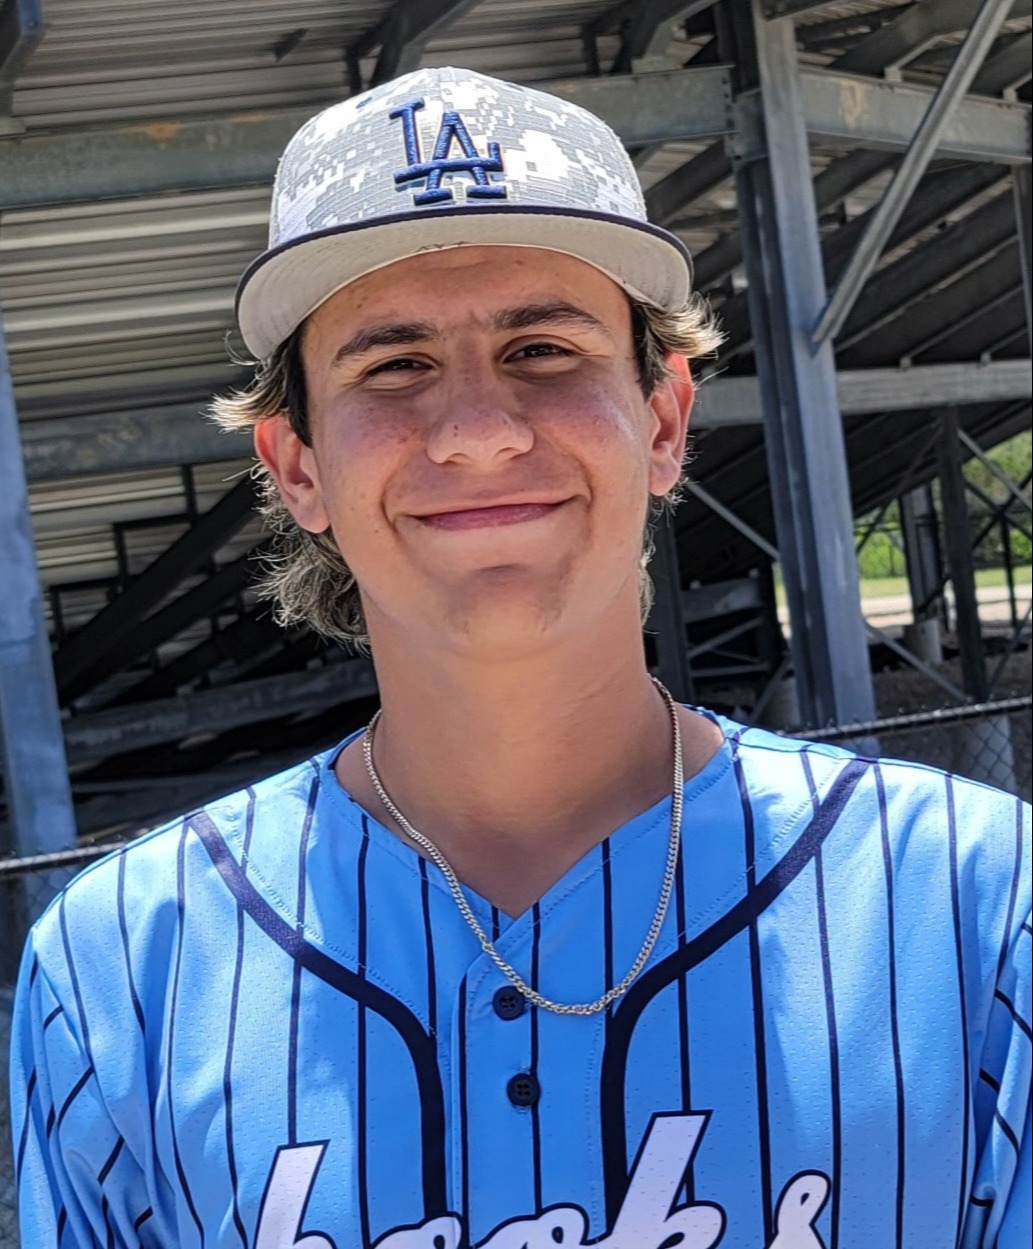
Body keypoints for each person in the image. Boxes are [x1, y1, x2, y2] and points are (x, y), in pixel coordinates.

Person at [10, 65, 1030, 1249]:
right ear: (296, 466)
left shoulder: (976, 901)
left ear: (661, 420)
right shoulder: (121, 967)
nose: (479, 433)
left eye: (542, 347)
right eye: (393, 366)